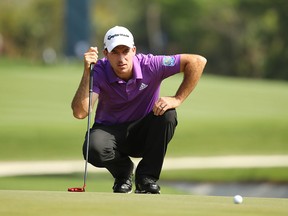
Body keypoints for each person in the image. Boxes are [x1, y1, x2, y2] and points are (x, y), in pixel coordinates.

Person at [71, 26, 207, 194]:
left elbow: (197, 61)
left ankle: (146, 178)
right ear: (106, 54)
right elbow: (80, 112)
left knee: (168, 114)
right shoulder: (99, 70)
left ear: (134, 50)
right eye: (115, 52)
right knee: (93, 147)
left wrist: (177, 99)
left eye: (125, 51)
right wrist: (87, 72)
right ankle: (124, 173)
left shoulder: (150, 64)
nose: (121, 58)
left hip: (144, 132)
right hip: (110, 134)